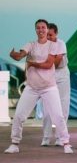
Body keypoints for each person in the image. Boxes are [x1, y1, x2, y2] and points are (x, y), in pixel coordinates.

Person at [5, 19, 73, 154]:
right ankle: (14, 143)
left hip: (49, 87)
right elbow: (21, 55)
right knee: (18, 115)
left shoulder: (54, 45)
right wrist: (15, 56)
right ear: (35, 30)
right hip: (32, 87)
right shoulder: (31, 44)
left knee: (58, 115)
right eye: (38, 27)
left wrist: (32, 64)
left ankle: (65, 142)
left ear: (47, 29)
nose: (41, 30)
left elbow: (48, 64)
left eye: (43, 27)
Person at [39, 23, 71, 147]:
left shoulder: (61, 44)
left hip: (61, 74)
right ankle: (46, 136)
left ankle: (60, 137)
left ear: (56, 33)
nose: (48, 37)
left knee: (63, 105)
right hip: (47, 74)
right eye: (47, 35)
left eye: (51, 35)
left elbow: (57, 62)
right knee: (46, 106)